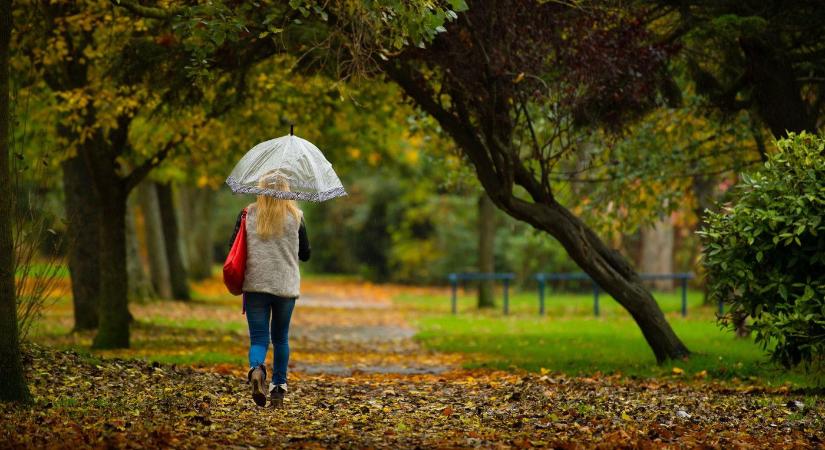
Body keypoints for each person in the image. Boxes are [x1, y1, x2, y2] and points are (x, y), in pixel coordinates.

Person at [228, 174, 310, 408]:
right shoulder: (296, 217)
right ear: (286, 191)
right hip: (285, 286)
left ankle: (256, 370)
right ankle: (277, 389)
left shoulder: (248, 214)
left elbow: (233, 245)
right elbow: (306, 254)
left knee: (259, 338)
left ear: (261, 189)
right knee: (281, 338)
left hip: (255, 285)